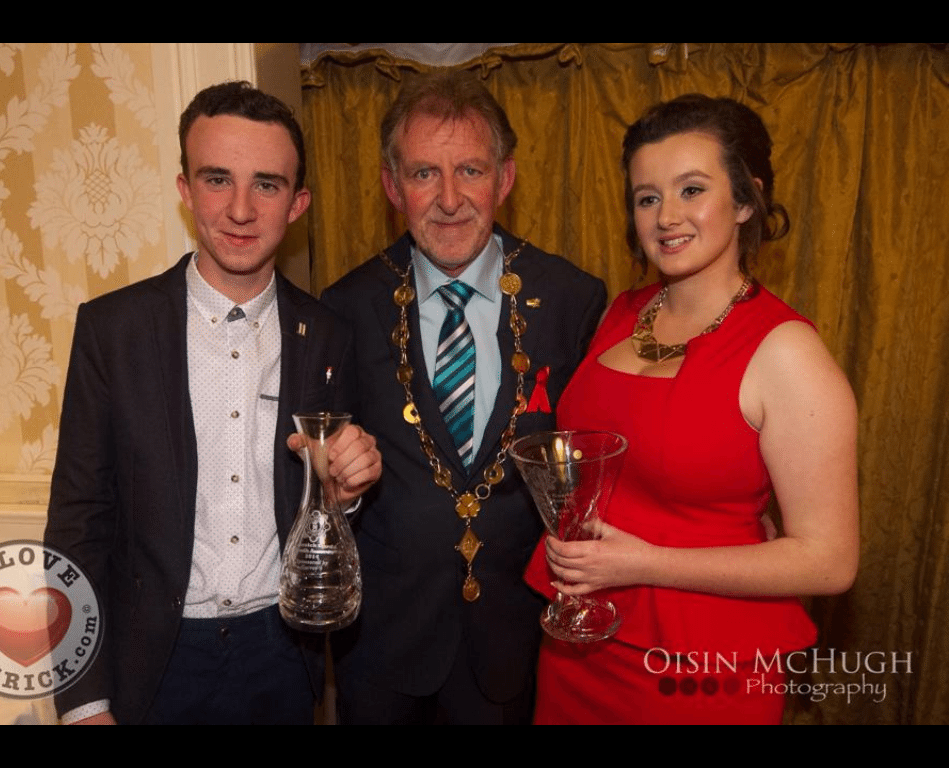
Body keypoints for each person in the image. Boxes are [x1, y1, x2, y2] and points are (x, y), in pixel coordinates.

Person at [44, 81, 381, 725]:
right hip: (151, 662)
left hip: (282, 654)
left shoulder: (328, 335)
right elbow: (76, 528)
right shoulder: (112, 331)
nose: (240, 209)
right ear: (185, 189)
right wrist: (82, 699)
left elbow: (329, 507)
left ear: (298, 202)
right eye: (217, 179)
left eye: (267, 185)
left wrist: (344, 493)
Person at [525, 94, 859, 724]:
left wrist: (643, 562)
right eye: (647, 197)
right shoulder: (621, 312)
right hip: (579, 648)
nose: (666, 216)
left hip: (703, 671)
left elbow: (831, 560)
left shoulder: (787, 352)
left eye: (691, 190)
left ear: (744, 201)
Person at [322, 71, 607, 724]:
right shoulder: (346, 308)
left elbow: (591, 470)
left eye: (470, 171)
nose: (449, 199)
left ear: (503, 179)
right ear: (394, 188)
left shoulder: (572, 300)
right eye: (424, 174)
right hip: (384, 649)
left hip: (516, 640)